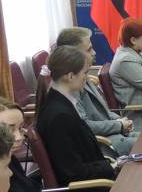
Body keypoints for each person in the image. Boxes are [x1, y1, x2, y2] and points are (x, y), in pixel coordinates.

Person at [35, 46, 117, 192]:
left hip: (93, 184)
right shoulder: (59, 116)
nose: (86, 77)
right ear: (70, 76)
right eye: (84, 73)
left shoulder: (62, 104)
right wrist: (110, 166)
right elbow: (73, 172)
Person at [54, 27, 136, 156]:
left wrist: (121, 121)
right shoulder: (71, 85)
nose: (94, 53)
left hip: (114, 134)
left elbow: (104, 112)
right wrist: (119, 125)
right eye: (89, 50)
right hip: (103, 144)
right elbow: (84, 125)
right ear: (73, 53)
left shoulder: (83, 76)